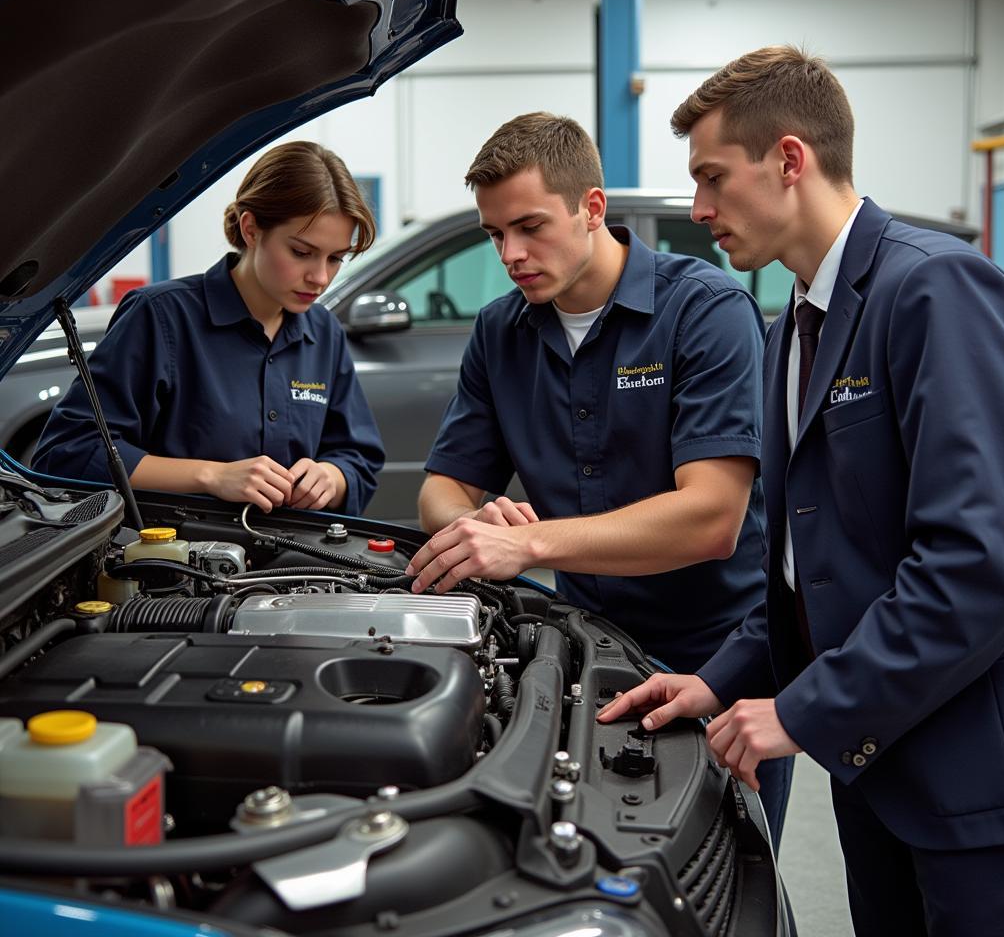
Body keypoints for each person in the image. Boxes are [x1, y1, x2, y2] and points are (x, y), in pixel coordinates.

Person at [598, 46, 1004, 935]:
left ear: (790, 160)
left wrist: (802, 710)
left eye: (712, 177)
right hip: (873, 771)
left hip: (973, 792)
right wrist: (715, 682)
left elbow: (979, 568)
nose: (698, 209)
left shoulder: (932, 289)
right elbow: (815, 568)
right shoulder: (791, 319)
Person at [406, 112, 792, 844]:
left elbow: (712, 519)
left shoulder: (704, 312)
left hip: (720, 657)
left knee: (722, 867)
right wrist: (474, 522)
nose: (510, 255)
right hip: (586, 649)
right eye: (494, 235)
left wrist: (534, 545)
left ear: (591, 208)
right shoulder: (500, 332)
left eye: (529, 227)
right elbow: (440, 489)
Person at [33, 141, 385, 515]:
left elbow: (357, 458)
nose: (320, 277)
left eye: (335, 259)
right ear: (251, 229)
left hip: (289, 561)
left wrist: (332, 475)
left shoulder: (324, 332)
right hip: (177, 558)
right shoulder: (160, 318)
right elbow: (68, 453)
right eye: (301, 252)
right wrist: (211, 476)